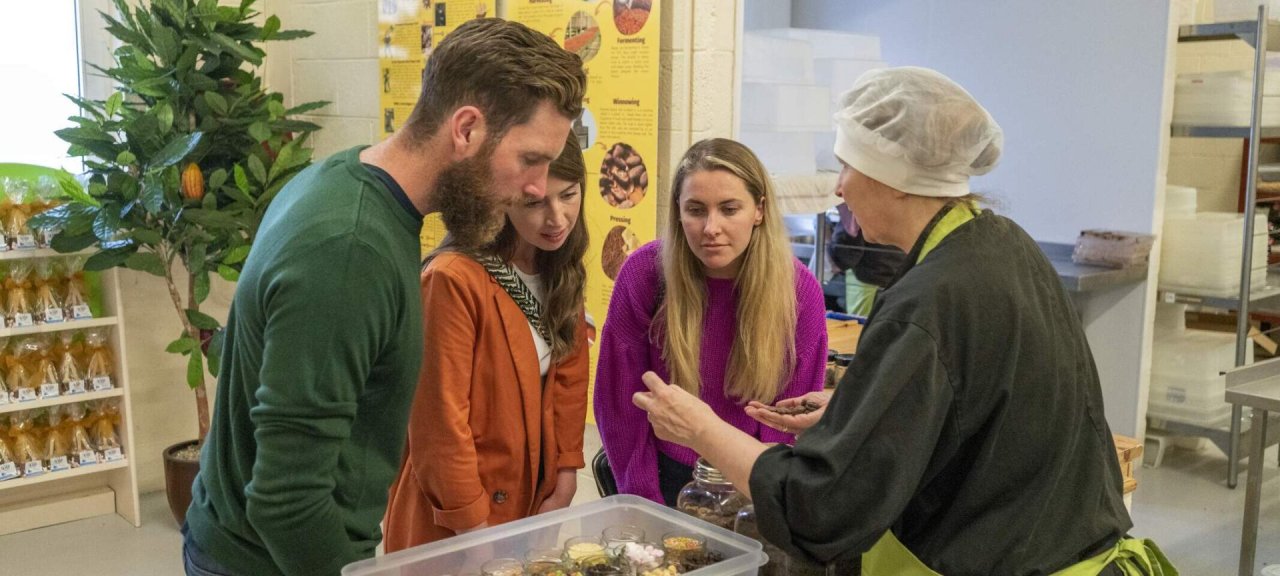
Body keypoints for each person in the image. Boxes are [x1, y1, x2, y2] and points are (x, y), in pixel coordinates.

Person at [633, 68, 1175, 575]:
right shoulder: (1003, 243)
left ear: (892, 179)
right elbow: (976, 411)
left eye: (847, 167)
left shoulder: (928, 302)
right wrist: (858, 413)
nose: (839, 188)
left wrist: (701, 429)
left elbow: (821, 505)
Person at [183, 19, 585, 576]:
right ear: (466, 128)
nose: (538, 187)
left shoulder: (345, 180)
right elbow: (286, 499)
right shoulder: (351, 251)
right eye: (530, 159)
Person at [383, 133, 590, 550]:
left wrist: (565, 479)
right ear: (501, 199)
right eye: (534, 203)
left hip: (532, 502)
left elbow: (569, 383)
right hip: (455, 520)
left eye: (568, 195)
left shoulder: (560, 267)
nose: (557, 218)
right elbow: (439, 421)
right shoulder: (452, 278)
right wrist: (473, 529)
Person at [594, 138, 828, 507]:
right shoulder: (644, 274)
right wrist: (643, 502)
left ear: (759, 210)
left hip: (755, 479)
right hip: (664, 477)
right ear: (678, 211)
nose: (711, 227)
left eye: (729, 209)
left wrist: (761, 501)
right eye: (696, 210)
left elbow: (788, 422)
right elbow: (621, 405)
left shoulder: (799, 291)